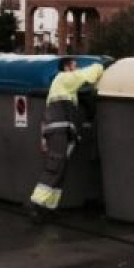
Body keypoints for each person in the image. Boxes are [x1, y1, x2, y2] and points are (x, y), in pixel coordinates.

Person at [27, 57, 105, 218]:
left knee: (60, 168)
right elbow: (86, 75)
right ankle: (35, 203)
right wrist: (100, 66)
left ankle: (48, 206)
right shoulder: (63, 78)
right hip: (59, 129)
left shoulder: (64, 87)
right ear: (67, 68)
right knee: (55, 165)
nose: (76, 70)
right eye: (74, 67)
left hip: (64, 130)